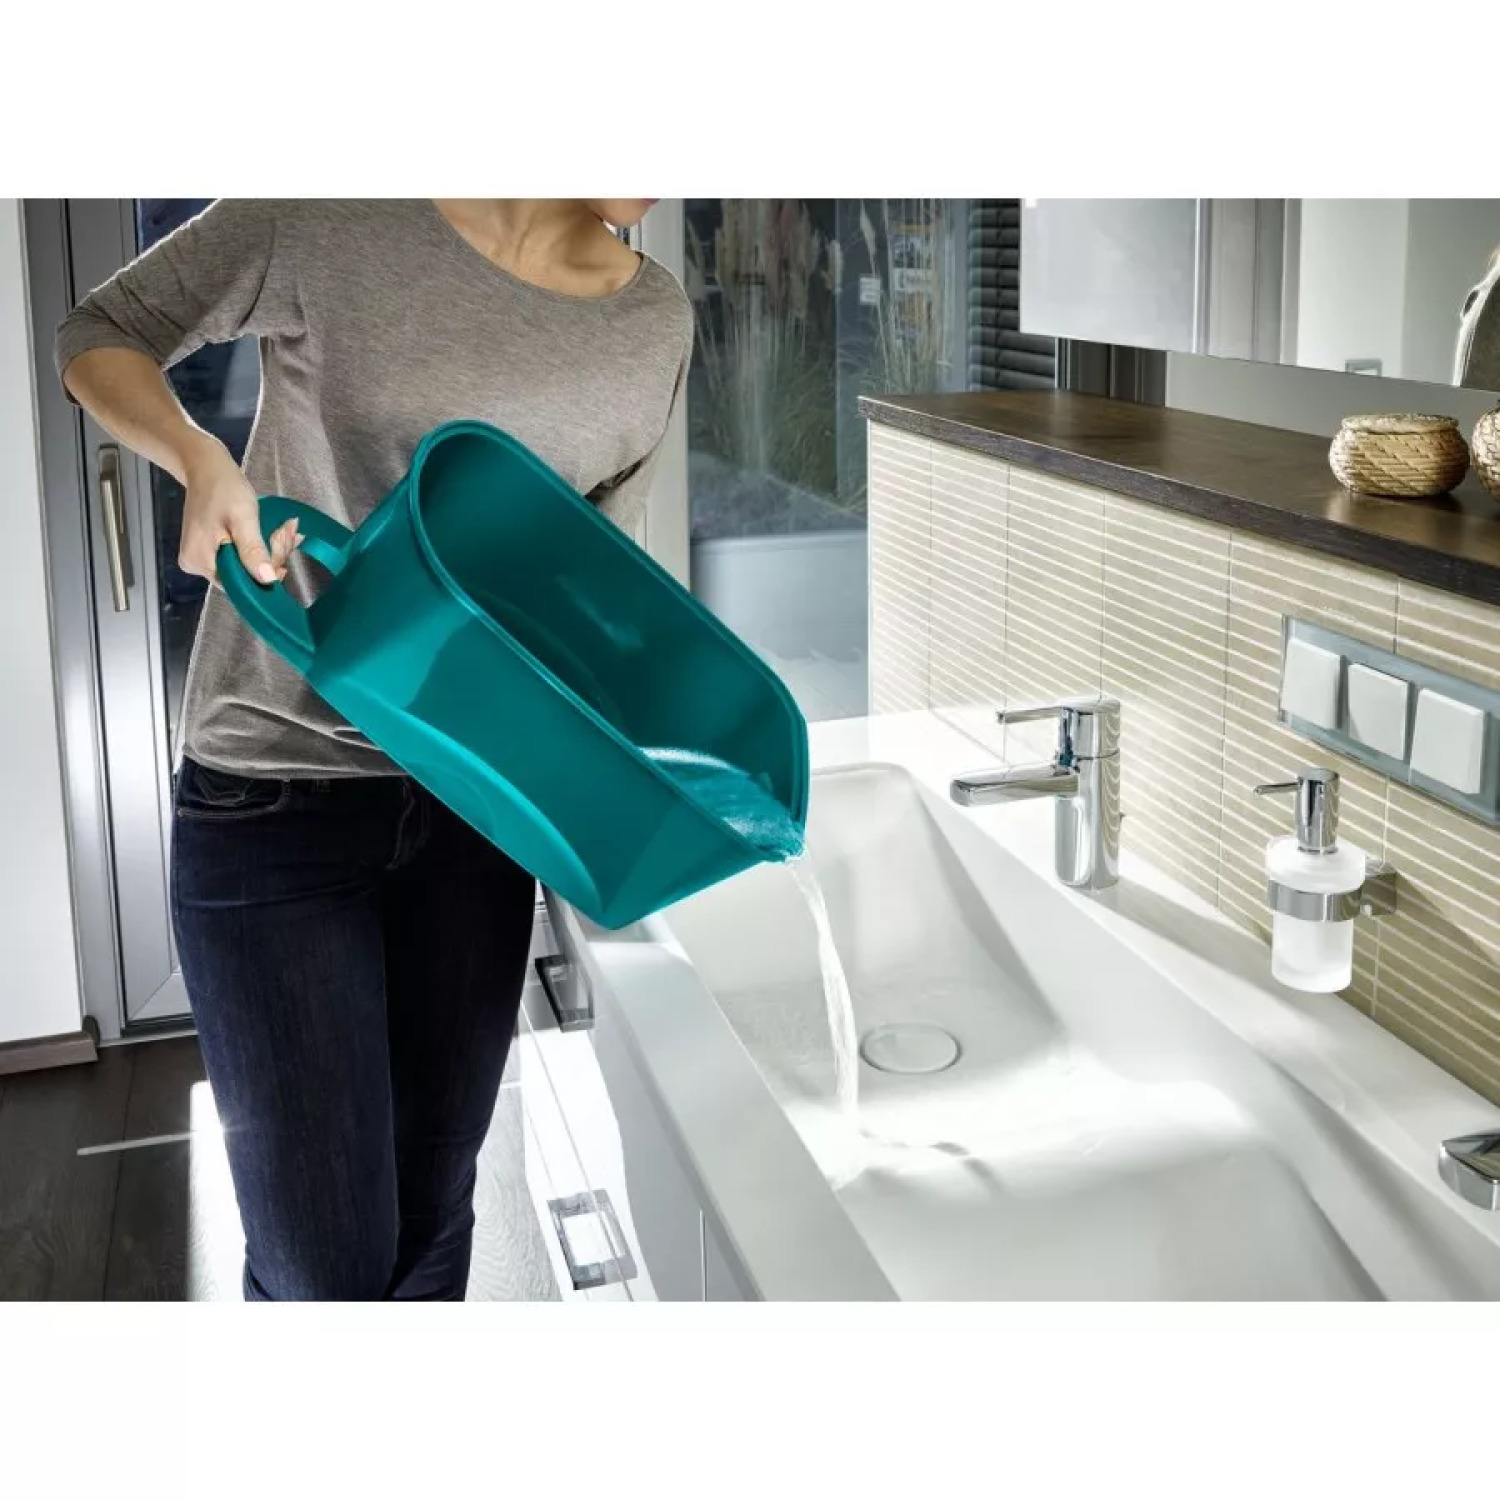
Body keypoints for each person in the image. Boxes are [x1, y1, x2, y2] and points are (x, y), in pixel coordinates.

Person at [57, 199, 692, 1301]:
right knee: (324, 1269)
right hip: (276, 792)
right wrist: (199, 457)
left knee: (434, 1214)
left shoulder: (653, 323)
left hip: (476, 805)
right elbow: (100, 330)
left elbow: (584, 571)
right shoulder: (333, 209)